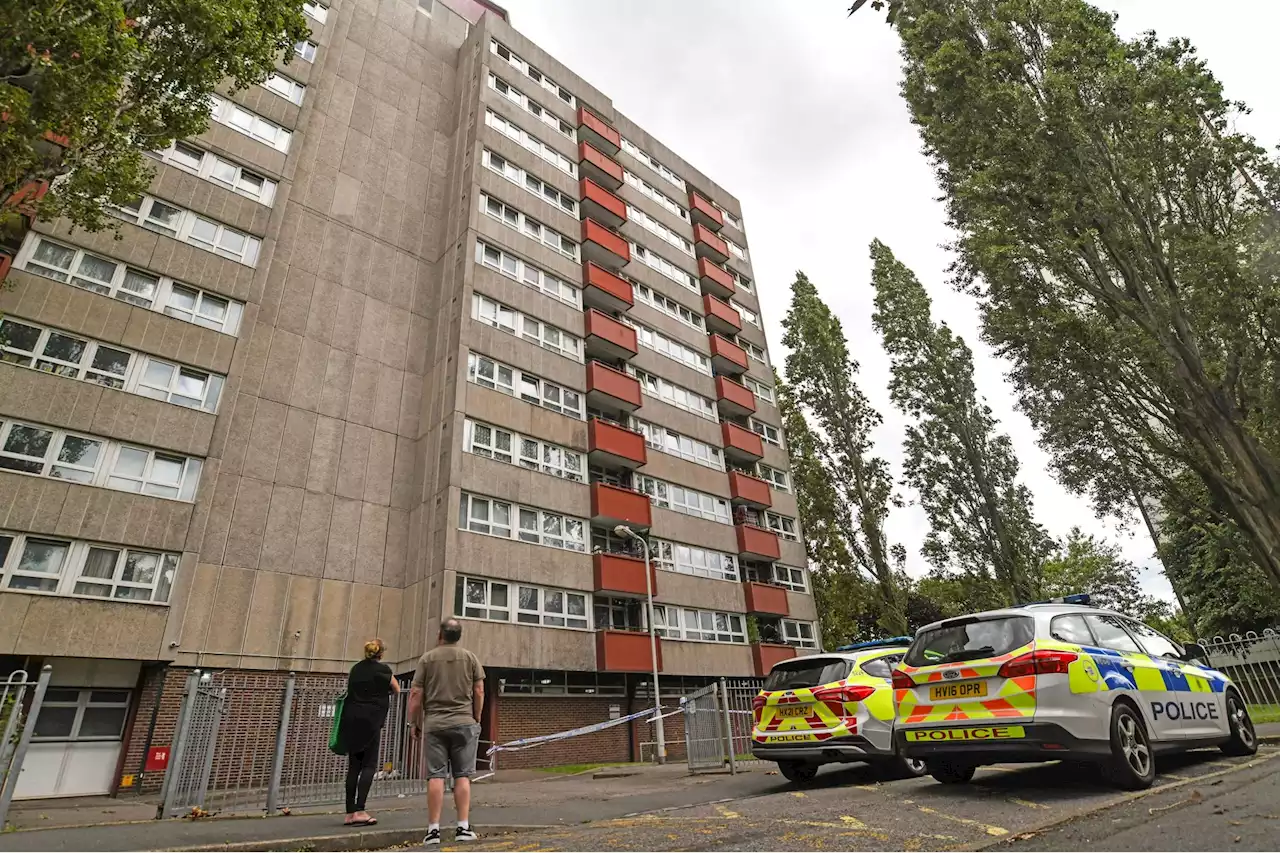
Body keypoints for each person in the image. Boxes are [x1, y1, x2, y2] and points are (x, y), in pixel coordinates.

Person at [409, 618, 485, 845]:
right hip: (464, 723)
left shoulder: (427, 659)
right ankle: (463, 827)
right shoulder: (470, 658)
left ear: (439, 635)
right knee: (462, 775)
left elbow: (415, 694)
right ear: (458, 636)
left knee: (436, 775)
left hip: (435, 724)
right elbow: (479, 690)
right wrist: (476, 717)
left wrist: (414, 723)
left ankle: (433, 830)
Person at [339, 638, 400, 826]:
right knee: (369, 766)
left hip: (352, 720)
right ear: (380, 653)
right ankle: (360, 810)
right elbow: (396, 689)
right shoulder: (383, 670)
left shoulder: (356, 669)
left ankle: (349, 812)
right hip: (371, 721)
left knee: (353, 767)